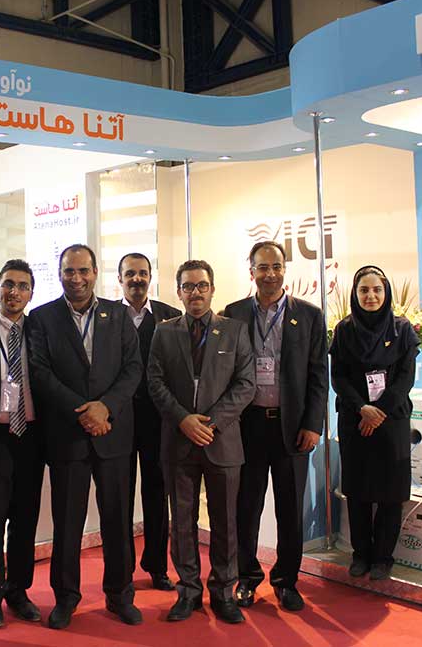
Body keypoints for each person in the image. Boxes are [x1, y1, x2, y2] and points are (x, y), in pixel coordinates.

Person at [28, 243, 143, 629]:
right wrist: (84, 411)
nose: (76, 278)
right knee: (67, 523)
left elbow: (133, 368)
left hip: (113, 434)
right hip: (68, 435)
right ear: (59, 274)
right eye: (69, 271)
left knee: (117, 521)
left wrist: (105, 408)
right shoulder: (42, 318)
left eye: (83, 271)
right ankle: (66, 597)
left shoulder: (118, 315)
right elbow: (40, 373)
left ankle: (120, 594)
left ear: (95, 273)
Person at [147, 260, 256, 624]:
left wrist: (210, 423)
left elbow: (246, 384)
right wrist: (183, 419)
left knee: (225, 522)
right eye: (188, 286)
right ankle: (188, 591)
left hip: (221, 441)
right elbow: (155, 381)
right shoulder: (164, 332)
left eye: (202, 286)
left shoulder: (235, 330)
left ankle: (224, 592)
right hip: (178, 440)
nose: (196, 292)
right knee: (181, 522)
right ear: (179, 292)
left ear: (212, 289)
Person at [223, 240, 328, 613]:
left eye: (276, 267)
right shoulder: (233, 314)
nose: (270, 274)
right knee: (246, 506)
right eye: (262, 267)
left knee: (290, 508)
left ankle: (286, 581)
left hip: (292, 427)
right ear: (251, 270)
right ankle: (247, 578)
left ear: (285, 270)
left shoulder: (309, 315)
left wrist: (313, 424)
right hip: (248, 425)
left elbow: (318, 375)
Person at [329, 265, 419, 581]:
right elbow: (339, 377)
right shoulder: (344, 331)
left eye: (377, 290)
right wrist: (362, 409)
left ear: (386, 293)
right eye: (364, 290)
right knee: (358, 490)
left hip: (392, 420)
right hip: (355, 420)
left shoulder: (402, 330)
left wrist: (378, 412)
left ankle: (383, 558)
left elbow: (406, 378)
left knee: (391, 492)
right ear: (355, 294)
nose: (371, 296)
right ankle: (361, 554)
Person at [0, 259, 45, 628]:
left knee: (25, 519)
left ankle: (18, 591)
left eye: (22, 286)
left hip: (31, 436)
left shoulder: (40, 330)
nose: (14, 292)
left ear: (31, 293)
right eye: (8, 284)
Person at [118, 252, 182, 592]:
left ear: (150, 277)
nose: (137, 279)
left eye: (142, 273)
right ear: (120, 278)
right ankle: (123, 569)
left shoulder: (170, 316)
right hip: (119, 420)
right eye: (130, 273)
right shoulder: (108, 316)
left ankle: (157, 567)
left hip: (160, 421)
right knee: (121, 496)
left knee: (158, 494)